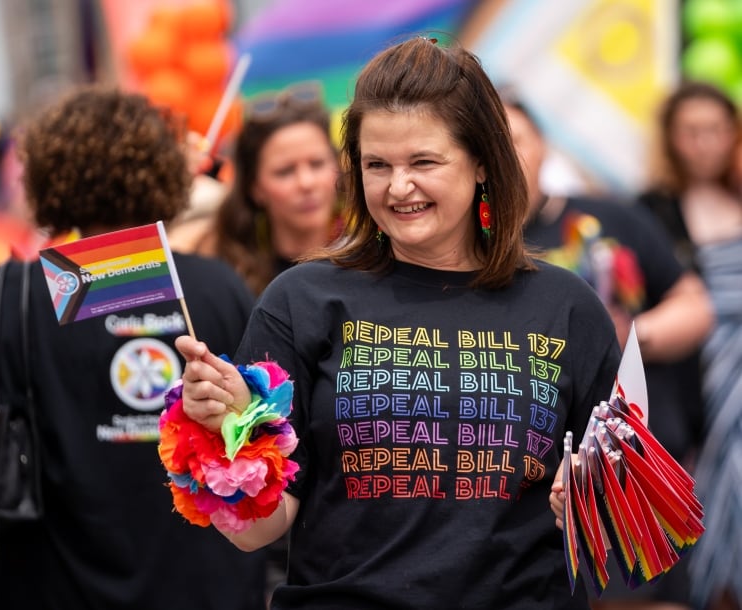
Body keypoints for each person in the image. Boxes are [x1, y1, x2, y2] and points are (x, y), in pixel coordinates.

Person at [171, 36, 622, 609]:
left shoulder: (568, 308)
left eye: (424, 162)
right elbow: (259, 530)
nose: (398, 187)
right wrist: (225, 434)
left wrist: (591, 509)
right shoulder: (300, 300)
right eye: (376, 165)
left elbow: (630, 526)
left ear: (482, 161)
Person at [0, 87, 268, 610]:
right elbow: (263, 439)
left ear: (50, 177)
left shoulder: (12, 295)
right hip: (209, 585)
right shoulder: (219, 288)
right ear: (164, 171)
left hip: (53, 585)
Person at [503, 95, 715, 610]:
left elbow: (694, 305)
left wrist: (628, 338)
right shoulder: (474, 248)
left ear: (543, 145)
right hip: (523, 501)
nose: (506, 158)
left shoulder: (614, 218)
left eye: (517, 142)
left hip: (633, 473)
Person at [638, 81, 742, 610]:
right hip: (692, 377)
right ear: (672, 138)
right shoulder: (651, 210)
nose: (705, 143)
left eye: (717, 130)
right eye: (691, 131)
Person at [169, 81, 342, 296]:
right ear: (255, 188)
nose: (306, 183)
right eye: (285, 171)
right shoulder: (227, 278)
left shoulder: (373, 256)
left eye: (317, 164)